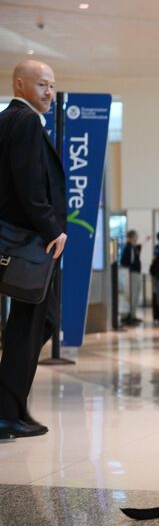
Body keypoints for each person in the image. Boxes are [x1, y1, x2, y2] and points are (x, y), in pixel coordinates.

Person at [0, 60, 66, 439]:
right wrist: (52, 228)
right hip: (33, 242)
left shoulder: (9, 120)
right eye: (42, 85)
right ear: (20, 84)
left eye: (53, 87)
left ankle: (10, 406)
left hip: (27, 240)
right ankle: (8, 411)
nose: (49, 93)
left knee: (33, 323)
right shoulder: (23, 122)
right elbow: (28, 184)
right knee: (34, 323)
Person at [120, 230, 144, 325]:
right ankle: (129, 316)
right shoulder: (128, 248)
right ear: (131, 238)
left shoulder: (133, 248)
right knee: (132, 295)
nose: (136, 238)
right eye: (135, 237)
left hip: (136, 273)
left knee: (136, 295)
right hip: (132, 273)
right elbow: (126, 262)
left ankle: (132, 315)